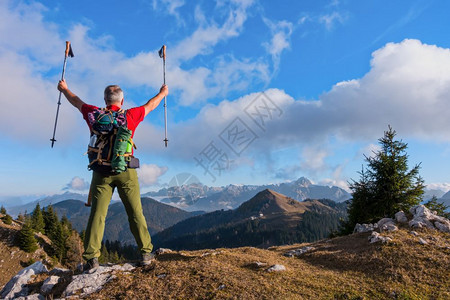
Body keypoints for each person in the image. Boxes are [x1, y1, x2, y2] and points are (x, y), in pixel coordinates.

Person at [57, 79, 168, 270]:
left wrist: (64, 89)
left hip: (101, 172)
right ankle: (146, 254)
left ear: (105, 100)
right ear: (122, 101)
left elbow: (76, 101)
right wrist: (162, 93)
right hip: (126, 171)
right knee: (135, 212)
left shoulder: (94, 113)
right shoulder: (131, 115)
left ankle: (91, 258)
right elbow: (150, 105)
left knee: (98, 214)